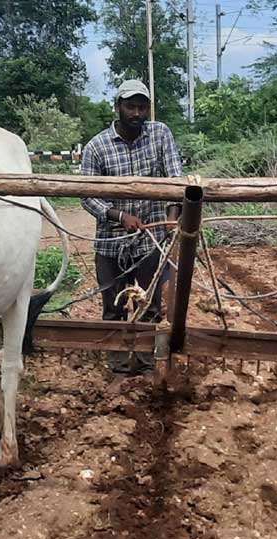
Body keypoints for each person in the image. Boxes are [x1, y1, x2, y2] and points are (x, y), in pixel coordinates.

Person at [80, 79, 183, 375]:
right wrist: (119, 216)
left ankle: (147, 363)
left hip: (150, 239)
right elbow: (86, 195)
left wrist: (171, 219)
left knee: (150, 305)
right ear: (118, 107)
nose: (136, 113)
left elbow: (176, 180)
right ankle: (118, 366)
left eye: (141, 107)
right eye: (130, 107)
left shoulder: (160, 134)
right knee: (113, 307)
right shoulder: (96, 147)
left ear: (148, 109)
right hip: (111, 243)